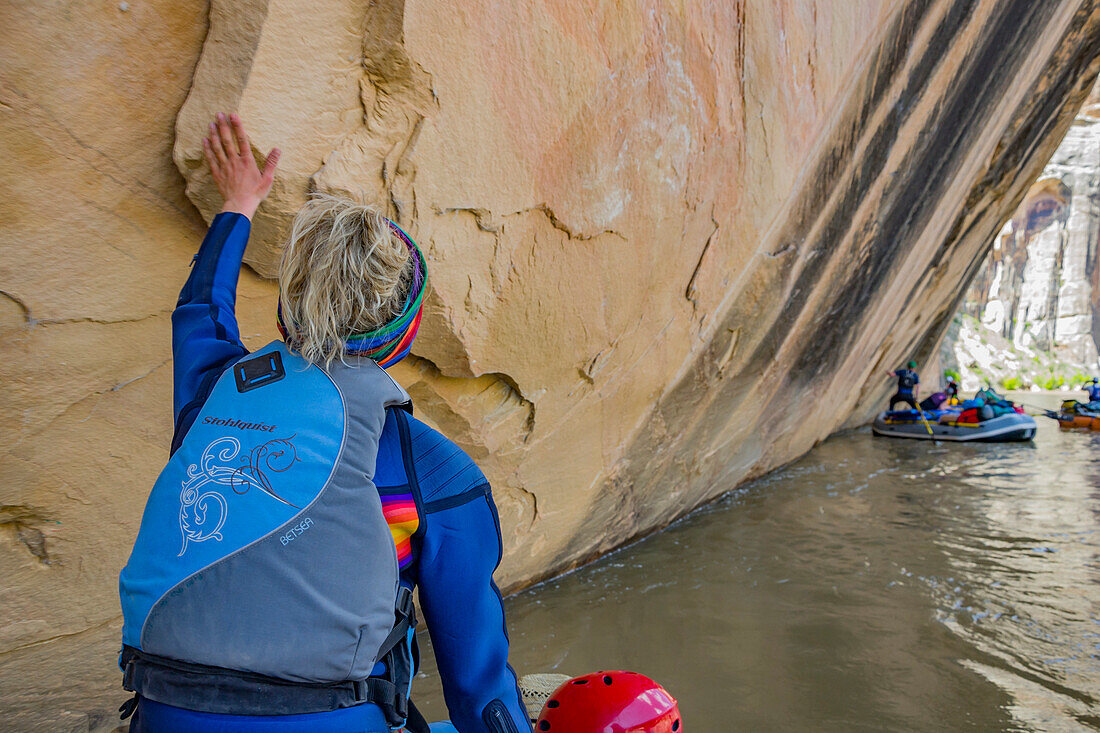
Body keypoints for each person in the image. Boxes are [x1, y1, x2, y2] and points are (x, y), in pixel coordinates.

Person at [117, 113, 531, 733]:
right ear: (407, 333)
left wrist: (239, 204)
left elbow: (201, 309)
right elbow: (478, 689)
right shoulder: (436, 473)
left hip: (164, 715)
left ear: (288, 316)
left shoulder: (212, 400)